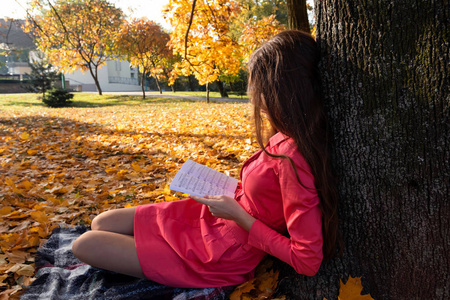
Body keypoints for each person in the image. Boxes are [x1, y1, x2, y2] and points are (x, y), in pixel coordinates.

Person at [72, 30, 340, 288]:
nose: (257, 101)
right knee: (102, 222)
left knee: (84, 244)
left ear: (283, 93)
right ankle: (151, 255)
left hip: (221, 250)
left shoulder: (293, 157)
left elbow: (307, 260)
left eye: (260, 92)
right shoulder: (286, 133)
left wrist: (240, 216)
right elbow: (268, 193)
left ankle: (162, 265)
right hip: (211, 217)